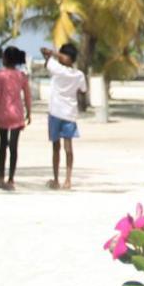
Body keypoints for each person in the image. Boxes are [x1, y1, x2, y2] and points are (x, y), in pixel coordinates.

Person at [41, 42, 87, 190]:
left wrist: (51, 54)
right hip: (69, 113)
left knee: (56, 148)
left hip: (55, 112)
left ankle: (56, 179)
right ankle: (68, 179)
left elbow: (45, 56)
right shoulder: (79, 75)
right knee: (68, 148)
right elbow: (83, 90)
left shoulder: (57, 68)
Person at [0, 46, 32, 190]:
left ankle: (0, 178)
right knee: (13, 147)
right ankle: (11, 179)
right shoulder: (21, 76)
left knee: (2, 145)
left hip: (3, 114)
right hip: (17, 114)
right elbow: (28, 96)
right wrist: (29, 112)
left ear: (5, 59)